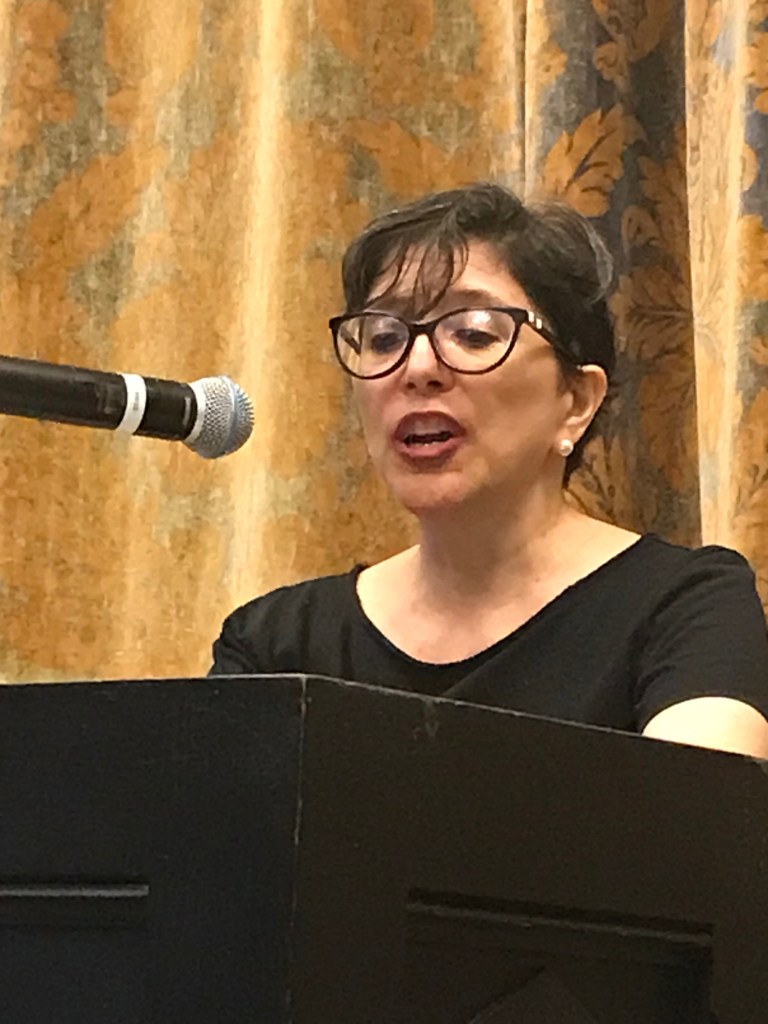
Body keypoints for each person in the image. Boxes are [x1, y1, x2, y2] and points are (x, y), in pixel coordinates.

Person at [209, 182, 768, 758]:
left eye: (473, 332)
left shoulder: (685, 606)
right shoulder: (276, 644)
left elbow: (700, 808)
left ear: (576, 400)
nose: (417, 367)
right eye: (383, 337)